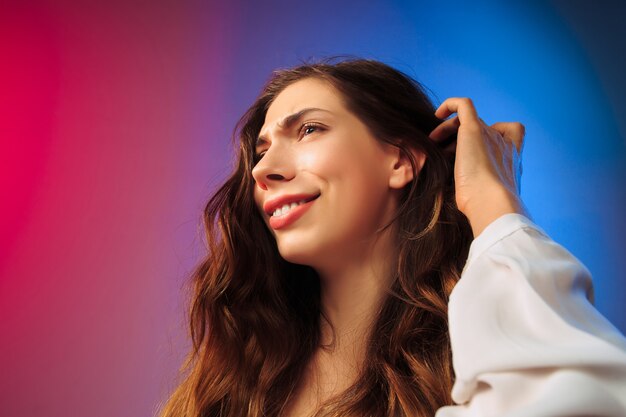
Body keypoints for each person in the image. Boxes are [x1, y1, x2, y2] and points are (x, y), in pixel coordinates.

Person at [158, 59, 626, 417]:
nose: (263, 170)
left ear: (401, 161)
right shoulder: (227, 388)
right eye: (261, 151)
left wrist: (492, 200)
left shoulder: (467, 367)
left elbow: (584, 396)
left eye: (308, 129)